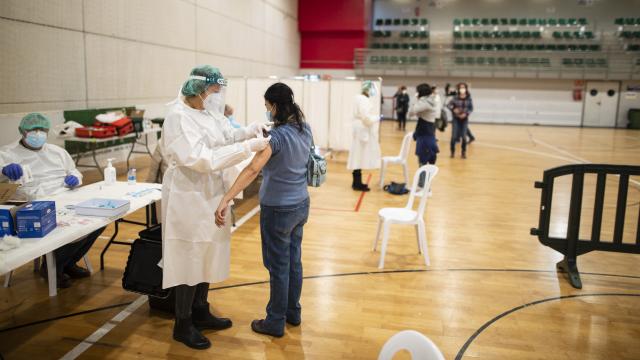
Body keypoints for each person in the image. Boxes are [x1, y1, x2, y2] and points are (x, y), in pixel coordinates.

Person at [160, 65, 271, 350]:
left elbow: (226, 135)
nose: (217, 96)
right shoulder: (177, 117)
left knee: (208, 250)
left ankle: (201, 309)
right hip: (188, 194)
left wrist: (248, 131)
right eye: (213, 91)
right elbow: (200, 159)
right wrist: (247, 149)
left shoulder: (207, 112)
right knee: (190, 255)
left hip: (211, 191)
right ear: (197, 89)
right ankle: (182, 324)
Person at [215, 83, 312, 338]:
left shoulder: (276, 138)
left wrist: (227, 197)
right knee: (294, 262)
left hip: (278, 209)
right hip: (301, 204)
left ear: (275, 106)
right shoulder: (304, 128)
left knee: (278, 266)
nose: (267, 111)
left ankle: (275, 321)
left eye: (267, 106)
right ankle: (293, 312)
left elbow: (252, 170)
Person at [0, 113, 105, 288]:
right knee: (66, 226)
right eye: (33, 130)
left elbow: (74, 171)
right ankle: (53, 267)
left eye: (42, 130)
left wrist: (74, 178)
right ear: (22, 131)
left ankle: (68, 262)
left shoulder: (57, 152)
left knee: (100, 219)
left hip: (64, 196)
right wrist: (4, 171)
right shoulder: (7, 153)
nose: (38, 133)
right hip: (32, 204)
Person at [348, 80, 381, 192]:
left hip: (359, 130)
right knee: (359, 156)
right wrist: (377, 118)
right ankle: (357, 184)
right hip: (362, 130)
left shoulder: (357, 98)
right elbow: (366, 118)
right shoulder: (363, 100)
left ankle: (357, 182)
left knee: (358, 156)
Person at [408, 84, 440, 187]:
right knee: (427, 159)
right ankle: (425, 185)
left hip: (425, 133)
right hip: (426, 131)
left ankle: (423, 186)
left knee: (423, 160)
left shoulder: (425, 103)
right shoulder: (429, 100)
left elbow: (411, 112)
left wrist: (414, 98)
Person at [447, 82, 474, 159]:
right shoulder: (455, 97)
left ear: (466, 89)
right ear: (458, 89)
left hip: (464, 119)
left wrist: (466, 114)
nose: (462, 89)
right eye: (461, 88)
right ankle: (452, 152)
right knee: (454, 137)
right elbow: (448, 105)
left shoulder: (469, 98)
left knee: (464, 137)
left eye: (464, 87)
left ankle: (463, 152)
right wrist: (453, 109)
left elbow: (471, 108)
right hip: (456, 119)